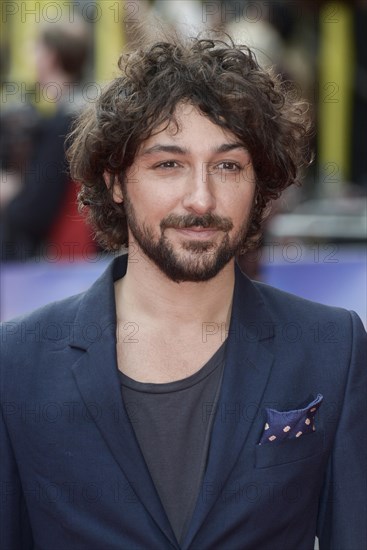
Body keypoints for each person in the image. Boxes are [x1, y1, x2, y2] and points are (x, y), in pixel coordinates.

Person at [1, 34, 366, 550]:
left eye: (228, 165)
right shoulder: (18, 363)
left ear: (259, 183)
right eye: (168, 164)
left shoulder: (332, 347)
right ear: (115, 181)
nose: (201, 198)